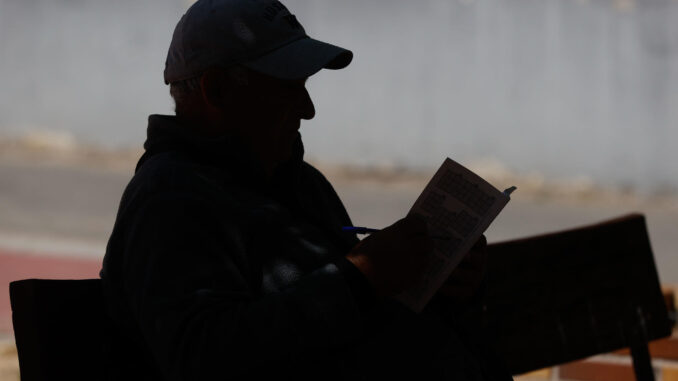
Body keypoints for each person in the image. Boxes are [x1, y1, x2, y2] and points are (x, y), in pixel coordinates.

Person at [100, 0, 512, 380]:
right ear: (217, 91)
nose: (308, 108)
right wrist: (361, 279)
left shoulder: (297, 180)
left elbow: (350, 317)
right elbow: (204, 357)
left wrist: (439, 285)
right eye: (287, 84)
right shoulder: (168, 199)